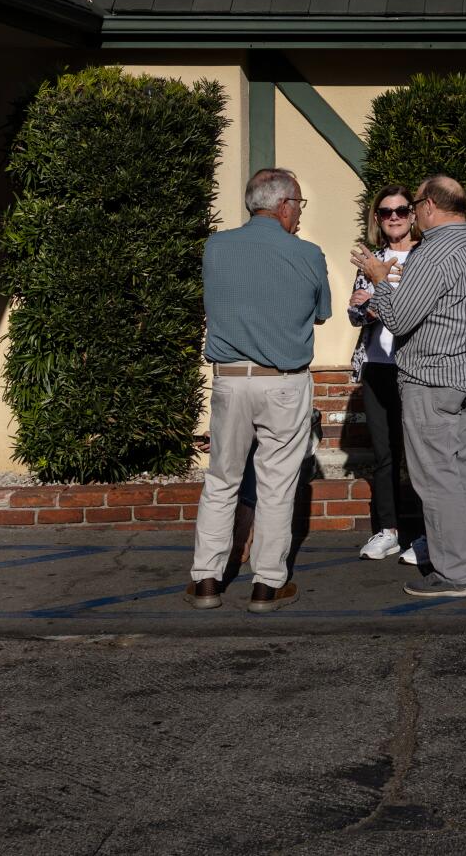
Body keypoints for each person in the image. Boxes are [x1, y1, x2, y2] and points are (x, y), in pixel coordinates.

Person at [355, 175, 466, 600]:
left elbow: (400, 320)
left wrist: (378, 279)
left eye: (416, 204)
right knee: (458, 471)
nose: (414, 212)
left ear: (430, 206)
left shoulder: (433, 252)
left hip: (432, 378)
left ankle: (453, 573)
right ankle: (464, 557)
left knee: (435, 478)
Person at [185, 168, 330, 612]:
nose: (300, 214)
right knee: (277, 486)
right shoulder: (307, 253)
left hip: (230, 379)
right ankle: (267, 583)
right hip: (283, 381)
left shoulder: (216, 246)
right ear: (284, 205)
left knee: (222, 480)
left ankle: (206, 579)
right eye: (299, 205)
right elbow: (321, 312)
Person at [347, 185, 418, 561]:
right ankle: (388, 529)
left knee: (421, 453)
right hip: (377, 365)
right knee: (384, 452)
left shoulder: (426, 257)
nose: (394, 217)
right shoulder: (371, 259)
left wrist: (381, 300)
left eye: (401, 210)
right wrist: (368, 308)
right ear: (377, 218)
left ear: (413, 215)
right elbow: (355, 311)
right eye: (386, 211)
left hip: (416, 366)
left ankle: (424, 533)